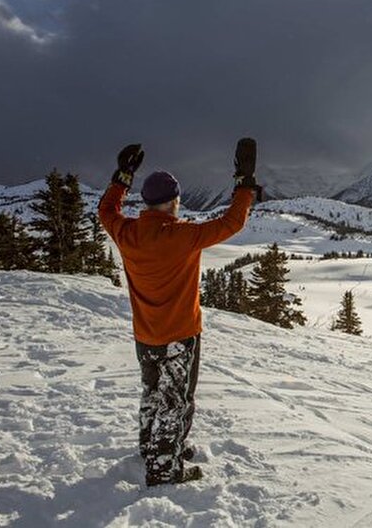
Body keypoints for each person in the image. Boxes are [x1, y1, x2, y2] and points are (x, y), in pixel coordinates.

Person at [98, 138, 261, 487]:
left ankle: (152, 446)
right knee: (176, 399)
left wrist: (121, 177)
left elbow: (106, 211)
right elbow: (233, 222)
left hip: (145, 334)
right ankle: (163, 467)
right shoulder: (183, 235)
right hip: (180, 335)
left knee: (153, 393)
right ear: (173, 201)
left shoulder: (126, 232)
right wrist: (244, 181)